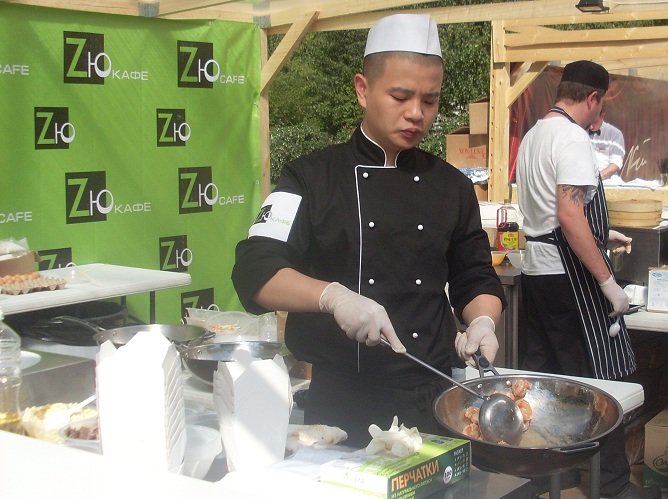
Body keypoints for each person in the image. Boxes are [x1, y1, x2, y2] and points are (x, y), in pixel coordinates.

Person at [232, 13, 505, 447]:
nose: (416, 113)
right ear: (362, 89)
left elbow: (475, 276)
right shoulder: (310, 177)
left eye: (430, 100)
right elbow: (254, 270)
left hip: (435, 398)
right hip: (342, 404)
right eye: (400, 96)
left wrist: (484, 321)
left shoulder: (452, 186)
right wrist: (332, 296)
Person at [515, 60, 659, 499]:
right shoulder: (573, 137)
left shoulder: (535, 135)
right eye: (602, 106)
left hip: (537, 272)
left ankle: (548, 476)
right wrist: (608, 282)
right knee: (595, 381)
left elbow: (549, 214)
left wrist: (601, 235)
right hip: (569, 279)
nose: (601, 117)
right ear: (593, 97)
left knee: (546, 380)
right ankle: (610, 485)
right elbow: (569, 214)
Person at [589, 105, 626, 180]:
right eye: (589, 122)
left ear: (602, 115)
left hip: (606, 182)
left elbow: (616, 163)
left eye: (594, 122)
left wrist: (597, 178)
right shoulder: (580, 131)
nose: (591, 127)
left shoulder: (615, 134)